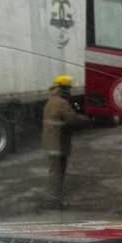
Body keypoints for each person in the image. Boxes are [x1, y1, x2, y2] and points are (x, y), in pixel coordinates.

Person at [41, 75, 89, 209]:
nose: (69, 92)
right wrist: (87, 119)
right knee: (57, 173)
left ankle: (53, 200)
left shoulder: (51, 100)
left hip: (51, 142)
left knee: (54, 171)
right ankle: (53, 201)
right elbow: (71, 120)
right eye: (68, 89)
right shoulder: (61, 103)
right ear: (63, 89)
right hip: (58, 143)